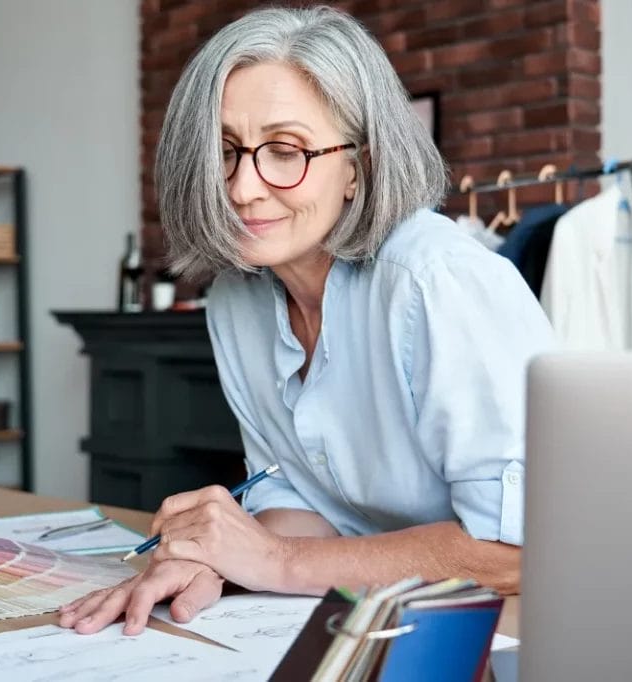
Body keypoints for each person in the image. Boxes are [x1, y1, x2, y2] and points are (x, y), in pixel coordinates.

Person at [59, 5, 553, 636]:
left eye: (285, 150)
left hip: (512, 633)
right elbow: (294, 501)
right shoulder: (236, 297)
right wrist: (214, 561)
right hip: (367, 618)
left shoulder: (437, 282)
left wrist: (275, 560)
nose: (241, 189)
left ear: (357, 167)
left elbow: (514, 553)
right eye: (226, 152)